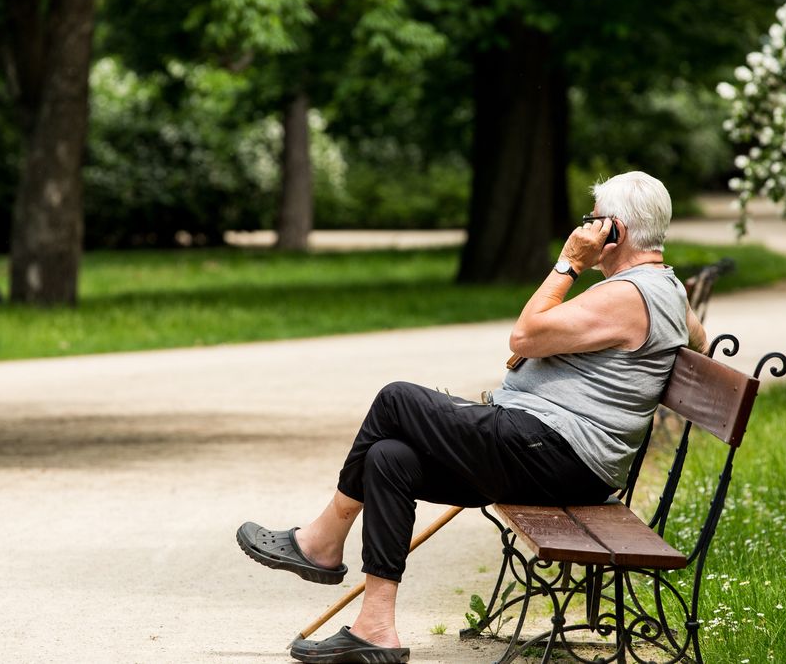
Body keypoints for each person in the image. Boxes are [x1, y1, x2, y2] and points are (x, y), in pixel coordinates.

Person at [236, 171, 708, 664]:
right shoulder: (663, 287)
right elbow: (696, 336)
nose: (584, 229)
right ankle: (375, 626)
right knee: (389, 457)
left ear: (615, 230)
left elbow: (524, 337)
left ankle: (321, 541)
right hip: (548, 453)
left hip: (553, 454)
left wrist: (569, 262)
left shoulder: (627, 295)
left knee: (397, 399)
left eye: (592, 222)